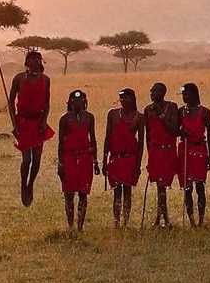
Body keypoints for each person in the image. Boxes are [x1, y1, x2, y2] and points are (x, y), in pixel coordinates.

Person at [7, 50, 56, 207]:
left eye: (38, 60)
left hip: (38, 123)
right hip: (23, 123)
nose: (35, 62)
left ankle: (30, 184)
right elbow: (10, 102)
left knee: (37, 160)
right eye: (32, 59)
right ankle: (23, 185)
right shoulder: (19, 79)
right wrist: (14, 124)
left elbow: (47, 103)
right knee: (26, 159)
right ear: (27, 62)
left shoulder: (46, 80)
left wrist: (44, 122)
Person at [55, 89, 98, 235]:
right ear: (70, 102)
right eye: (75, 100)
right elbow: (60, 143)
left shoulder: (90, 118)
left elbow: (93, 139)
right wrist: (60, 164)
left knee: (83, 193)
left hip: (85, 158)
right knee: (68, 193)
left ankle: (80, 226)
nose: (78, 103)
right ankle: (70, 225)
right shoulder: (65, 119)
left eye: (81, 100)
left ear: (84, 102)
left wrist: (95, 161)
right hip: (69, 158)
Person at [101, 88, 143, 229]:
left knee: (127, 191)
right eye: (121, 98)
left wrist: (138, 165)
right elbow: (107, 137)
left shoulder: (139, 117)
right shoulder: (112, 114)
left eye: (125, 98)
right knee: (117, 192)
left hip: (130, 159)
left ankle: (126, 221)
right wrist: (104, 159)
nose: (123, 100)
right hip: (115, 158)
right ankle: (116, 222)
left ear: (132, 99)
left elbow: (141, 143)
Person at [143, 82, 183, 229]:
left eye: (155, 91)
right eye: (151, 91)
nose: (152, 93)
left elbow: (174, 130)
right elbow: (148, 133)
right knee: (159, 186)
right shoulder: (148, 110)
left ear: (162, 92)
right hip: (155, 152)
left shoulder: (171, 107)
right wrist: (149, 152)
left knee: (163, 185)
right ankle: (162, 218)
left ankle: (162, 218)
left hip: (168, 151)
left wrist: (160, 114)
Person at [178, 83, 210, 228]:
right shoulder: (180, 111)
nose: (184, 97)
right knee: (187, 188)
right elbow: (174, 129)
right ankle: (191, 220)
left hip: (199, 150)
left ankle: (201, 220)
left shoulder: (204, 112)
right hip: (185, 150)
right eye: (183, 95)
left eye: (186, 94)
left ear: (194, 94)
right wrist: (181, 132)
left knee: (199, 186)